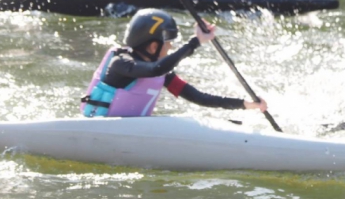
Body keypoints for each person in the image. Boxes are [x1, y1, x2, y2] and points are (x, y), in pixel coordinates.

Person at [81, 9, 268, 118]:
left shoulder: (164, 76)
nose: (170, 47)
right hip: (99, 127)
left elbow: (199, 98)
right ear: (154, 46)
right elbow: (155, 69)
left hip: (132, 132)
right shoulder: (120, 63)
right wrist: (195, 42)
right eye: (168, 43)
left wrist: (246, 104)